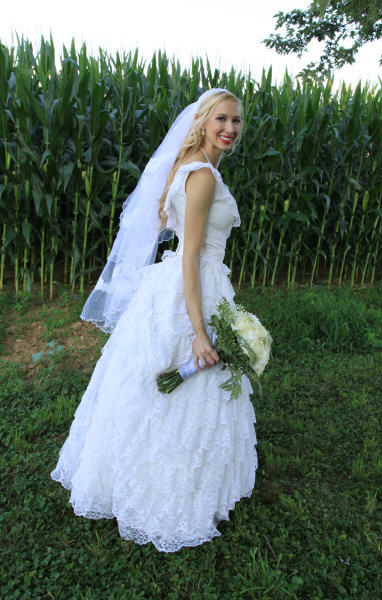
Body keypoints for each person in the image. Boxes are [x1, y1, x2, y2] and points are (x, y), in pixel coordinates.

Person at [50, 88, 258, 553]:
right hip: (192, 289)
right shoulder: (201, 176)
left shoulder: (193, 169)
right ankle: (168, 493)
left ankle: (144, 476)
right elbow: (189, 257)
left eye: (237, 121)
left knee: (155, 390)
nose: (230, 129)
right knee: (189, 378)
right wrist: (200, 332)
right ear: (203, 121)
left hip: (185, 285)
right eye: (222, 119)